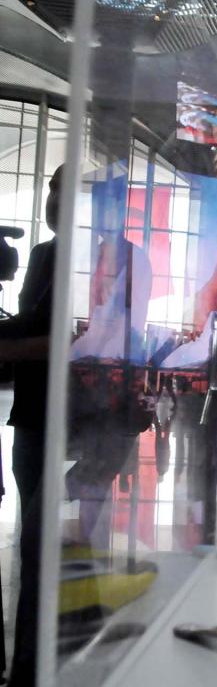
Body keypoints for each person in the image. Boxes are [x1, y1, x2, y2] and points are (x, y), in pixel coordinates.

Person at [0, 165, 61, 687]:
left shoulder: (116, 259)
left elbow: (86, 338)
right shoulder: (42, 254)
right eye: (51, 188)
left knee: (58, 547)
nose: (53, 198)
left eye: (64, 189)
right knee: (33, 547)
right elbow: (32, 321)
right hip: (32, 415)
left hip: (79, 424)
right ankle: (28, 665)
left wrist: (9, 348)